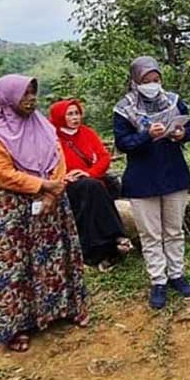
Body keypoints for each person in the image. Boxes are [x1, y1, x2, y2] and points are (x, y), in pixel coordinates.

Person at [0, 74, 88, 352]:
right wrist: (41, 186)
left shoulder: (42, 124)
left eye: (32, 93)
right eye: (23, 94)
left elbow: (57, 156)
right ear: (7, 98)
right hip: (17, 209)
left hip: (53, 202)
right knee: (20, 264)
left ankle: (65, 308)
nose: (30, 100)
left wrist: (54, 190)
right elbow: (2, 174)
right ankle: (18, 325)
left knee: (57, 256)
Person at [112, 57, 190, 309]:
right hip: (142, 179)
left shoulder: (172, 100)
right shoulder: (124, 109)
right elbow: (123, 143)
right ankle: (158, 280)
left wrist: (182, 133)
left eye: (156, 80)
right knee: (150, 234)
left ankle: (177, 274)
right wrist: (146, 135)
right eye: (146, 81)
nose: (152, 85)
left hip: (173, 174)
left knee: (174, 230)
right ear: (135, 81)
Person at [49, 98, 133, 271]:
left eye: (77, 113)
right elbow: (46, 164)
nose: (75, 118)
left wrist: (89, 172)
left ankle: (102, 250)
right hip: (68, 185)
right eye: (70, 114)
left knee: (93, 188)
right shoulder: (51, 138)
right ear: (59, 116)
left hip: (92, 182)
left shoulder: (87, 132)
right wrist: (64, 177)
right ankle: (117, 236)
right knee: (91, 187)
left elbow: (103, 157)